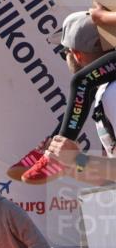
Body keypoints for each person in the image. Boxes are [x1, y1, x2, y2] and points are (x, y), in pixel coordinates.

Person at [10, 11, 116, 183]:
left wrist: (76, 159)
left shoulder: (112, 93)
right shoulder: (105, 92)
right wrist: (72, 163)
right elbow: (108, 177)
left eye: (63, 52)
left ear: (76, 54)